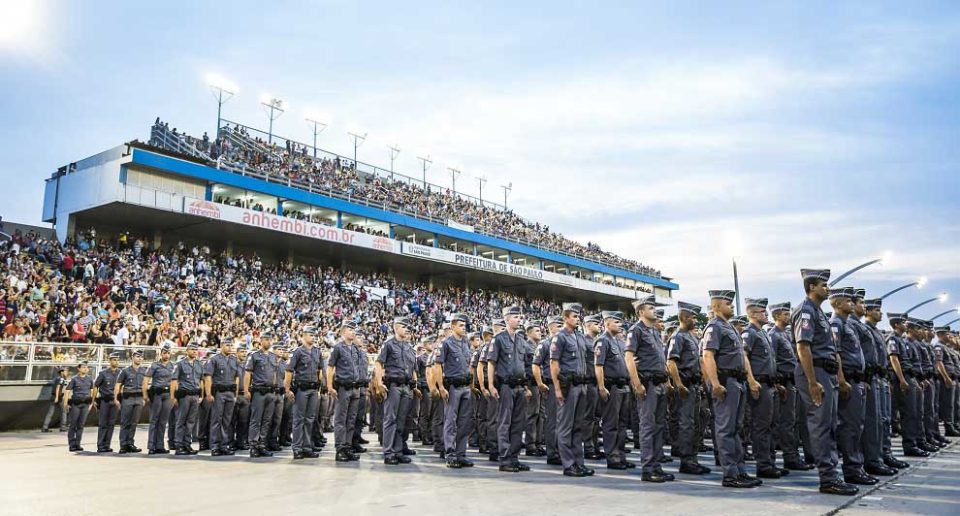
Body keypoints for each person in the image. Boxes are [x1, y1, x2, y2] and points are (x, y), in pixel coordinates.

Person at [793, 269, 859, 496]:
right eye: (823, 285)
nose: (827, 289)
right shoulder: (806, 311)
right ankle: (828, 479)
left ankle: (832, 475)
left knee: (829, 426)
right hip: (816, 372)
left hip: (826, 372)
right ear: (811, 287)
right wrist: (812, 382)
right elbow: (803, 347)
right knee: (821, 426)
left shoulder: (818, 312)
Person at [702, 289, 760, 488]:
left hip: (737, 382)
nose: (732, 307)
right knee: (726, 429)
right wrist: (715, 383)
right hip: (726, 383)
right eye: (728, 304)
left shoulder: (731, 328)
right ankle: (730, 474)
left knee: (736, 429)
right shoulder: (714, 327)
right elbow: (708, 356)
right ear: (716, 306)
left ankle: (739, 470)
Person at [625, 295, 674, 483]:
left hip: (659, 383)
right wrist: (637, 384)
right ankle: (648, 468)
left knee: (659, 426)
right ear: (641, 312)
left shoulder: (654, 332)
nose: (654, 310)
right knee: (648, 426)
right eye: (650, 307)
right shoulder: (635, 330)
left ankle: (657, 465)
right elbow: (629, 358)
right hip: (647, 384)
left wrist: (667, 382)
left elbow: (661, 361)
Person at [742, 298, 786, 479]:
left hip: (769, 384)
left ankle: (771, 461)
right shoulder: (749, 332)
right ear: (752, 314)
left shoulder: (763, 333)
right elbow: (744, 356)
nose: (766, 314)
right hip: (759, 385)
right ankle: (764, 464)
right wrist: (751, 381)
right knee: (761, 426)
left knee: (771, 425)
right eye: (762, 312)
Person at [769, 302, 814, 471]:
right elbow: (772, 361)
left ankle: (794, 454)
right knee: (786, 422)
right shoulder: (774, 335)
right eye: (785, 314)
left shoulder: (787, 335)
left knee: (794, 421)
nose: (788, 317)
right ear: (777, 316)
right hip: (784, 383)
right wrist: (777, 383)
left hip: (793, 382)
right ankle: (790, 457)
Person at [666, 301, 710, 475]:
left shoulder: (691, 337)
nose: (695, 320)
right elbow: (671, 362)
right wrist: (678, 384)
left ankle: (693, 458)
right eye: (692, 317)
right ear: (684, 317)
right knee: (686, 424)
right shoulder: (678, 336)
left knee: (695, 423)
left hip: (694, 385)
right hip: (685, 385)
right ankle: (686, 461)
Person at [550, 302, 593, 478]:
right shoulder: (560, 337)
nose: (578, 318)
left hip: (581, 385)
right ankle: (568, 464)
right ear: (566, 318)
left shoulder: (580, 337)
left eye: (578, 316)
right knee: (566, 427)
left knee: (578, 427)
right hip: (568, 387)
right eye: (574, 316)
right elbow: (554, 364)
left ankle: (578, 463)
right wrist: (558, 389)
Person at [487, 305, 532, 472]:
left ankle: (514, 457)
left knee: (518, 424)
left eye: (520, 317)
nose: (519, 320)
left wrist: (526, 387)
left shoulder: (521, 341)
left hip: (520, 387)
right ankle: (505, 459)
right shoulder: (498, 339)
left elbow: (524, 365)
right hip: (505, 386)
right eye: (515, 317)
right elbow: (491, 363)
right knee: (504, 423)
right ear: (507, 319)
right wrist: (491, 385)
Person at [373, 316, 420, 465]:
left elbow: (413, 370)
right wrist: (379, 383)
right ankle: (388, 452)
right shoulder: (388, 344)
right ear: (396, 327)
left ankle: (398, 451)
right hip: (393, 386)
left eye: (408, 327)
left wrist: (415, 386)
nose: (407, 330)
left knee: (401, 421)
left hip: (407, 387)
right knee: (390, 420)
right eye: (404, 327)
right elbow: (379, 364)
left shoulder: (409, 348)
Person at [594, 310, 633, 470]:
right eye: (616, 322)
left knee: (623, 424)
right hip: (613, 387)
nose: (620, 324)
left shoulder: (620, 342)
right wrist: (602, 387)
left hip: (624, 386)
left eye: (620, 322)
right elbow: (598, 366)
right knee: (611, 424)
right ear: (607, 323)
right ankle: (613, 457)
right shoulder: (603, 341)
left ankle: (621, 455)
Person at [436, 313, 475, 468]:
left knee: (465, 422)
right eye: (460, 325)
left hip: (465, 387)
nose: (463, 328)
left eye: (464, 325)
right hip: (452, 387)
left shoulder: (465, 342)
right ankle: (450, 453)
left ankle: (461, 453)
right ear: (452, 327)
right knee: (451, 421)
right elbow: (438, 365)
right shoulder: (446, 343)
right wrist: (441, 387)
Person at [327, 320, 365, 462]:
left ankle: (348, 447)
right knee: (341, 420)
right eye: (350, 329)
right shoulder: (337, 347)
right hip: (343, 388)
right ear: (343, 332)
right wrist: (330, 386)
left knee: (351, 420)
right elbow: (330, 368)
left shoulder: (355, 349)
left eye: (354, 329)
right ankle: (340, 449)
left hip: (355, 388)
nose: (353, 331)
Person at [285, 325, 323, 460]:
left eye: (315, 335)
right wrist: (287, 389)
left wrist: (319, 389)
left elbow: (320, 371)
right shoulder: (298, 352)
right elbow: (289, 371)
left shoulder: (317, 351)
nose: (313, 337)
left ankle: (307, 447)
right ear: (304, 335)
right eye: (311, 335)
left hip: (313, 389)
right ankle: (297, 448)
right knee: (299, 420)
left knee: (309, 419)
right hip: (301, 389)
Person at [244, 334, 279, 458]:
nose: (268, 341)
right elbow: (248, 373)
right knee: (256, 420)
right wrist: (246, 390)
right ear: (261, 341)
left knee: (266, 420)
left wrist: (274, 387)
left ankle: (262, 445)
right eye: (266, 339)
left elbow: (274, 373)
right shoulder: (254, 355)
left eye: (270, 339)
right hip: (259, 391)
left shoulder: (274, 357)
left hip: (270, 392)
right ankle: (253, 446)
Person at [206, 339, 240, 456]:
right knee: (216, 420)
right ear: (221, 346)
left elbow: (236, 377)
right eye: (227, 345)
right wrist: (208, 394)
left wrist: (235, 394)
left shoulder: (234, 359)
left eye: (231, 345)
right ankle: (215, 446)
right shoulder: (214, 359)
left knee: (227, 421)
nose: (230, 347)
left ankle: (224, 445)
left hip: (230, 393)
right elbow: (208, 377)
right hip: (219, 393)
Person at [171, 342, 203, 455]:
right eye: (192, 349)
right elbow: (174, 380)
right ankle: (179, 446)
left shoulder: (199, 364)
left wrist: (202, 395)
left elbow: (201, 380)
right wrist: (173, 397)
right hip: (184, 396)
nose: (194, 351)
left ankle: (187, 444)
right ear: (187, 350)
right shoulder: (180, 364)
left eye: (196, 350)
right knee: (181, 421)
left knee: (191, 422)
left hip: (195, 395)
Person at [144, 344, 175, 454]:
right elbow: (146, 379)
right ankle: (152, 446)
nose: (166, 355)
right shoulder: (154, 365)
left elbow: (174, 382)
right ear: (161, 354)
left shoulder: (173, 366)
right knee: (154, 420)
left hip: (167, 395)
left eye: (168, 353)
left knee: (163, 421)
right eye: (164, 353)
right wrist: (145, 394)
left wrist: (173, 396)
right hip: (157, 394)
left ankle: (160, 445)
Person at [580, 313, 603, 459]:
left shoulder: (598, 341)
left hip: (598, 384)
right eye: (596, 323)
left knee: (596, 418)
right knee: (588, 417)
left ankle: (595, 445)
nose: (599, 325)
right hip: (588, 383)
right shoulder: (583, 341)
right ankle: (588, 447)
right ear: (588, 325)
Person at [523, 320, 546, 457]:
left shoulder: (539, 346)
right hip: (532, 383)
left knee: (541, 415)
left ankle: (538, 443)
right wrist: (526, 387)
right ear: (529, 333)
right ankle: (530, 445)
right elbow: (524, 368)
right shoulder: (526, 347)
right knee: (532, 414)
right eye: (537, 330)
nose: (540, 332)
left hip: (541, 384)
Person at [116, 351, 146, 453]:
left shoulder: (144, 371)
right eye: (138, 356)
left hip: (139, 398)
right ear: (133, 358)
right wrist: (116, 398)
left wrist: (144, 398)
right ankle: (123, 445)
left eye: (141, 357)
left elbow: (145, 385)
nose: (140, 358)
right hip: (128, 398)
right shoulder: (125, 371)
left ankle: (130, 443)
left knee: (134, 423)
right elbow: (118, 385)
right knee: (125, 422)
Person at [93, 352, 122, 453]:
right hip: (105, 400)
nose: (116, 362)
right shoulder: (103, 373)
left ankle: (107, 445)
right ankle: (100, 445)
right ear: (110, 361)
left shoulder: (120, 373)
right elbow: (96, 386)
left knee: (111, 424)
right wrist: (93, 400)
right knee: (103, 424)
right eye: (114, 360)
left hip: (115, 401)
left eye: (117, 360)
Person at [65, 362, 94, 452]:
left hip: (85, 404)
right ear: (79, 369)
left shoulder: (90, 379)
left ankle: (78, 444)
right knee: (73, 424)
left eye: (87, 367)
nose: (85, 369)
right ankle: (72, 444)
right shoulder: (74, 379)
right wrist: (65, 403)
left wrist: (92, 403)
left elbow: (92, 391)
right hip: (76, 404)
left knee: (81, 425)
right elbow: (67, 391)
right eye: (83, 367)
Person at [233, 344, 252, 451]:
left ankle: (241, 441)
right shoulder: (232, 364)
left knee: (243, 421)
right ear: (237, 353)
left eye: (245, 352)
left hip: (244, 395)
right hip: (234, 395)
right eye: (242, 352)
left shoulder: (248, 366)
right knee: (231, 421)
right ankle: (230, 442)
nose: (244, 354)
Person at [41, 368, 69, 433]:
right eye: (66, 371)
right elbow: (58, 387)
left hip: (53, 396)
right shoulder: (61, 379)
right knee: (64, 411)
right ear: (62, 372)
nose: (67, 373)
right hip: (58, 397)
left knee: (50, 413)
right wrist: (57, 397)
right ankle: (63, 427)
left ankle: (45, 427)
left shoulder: (56, 378)